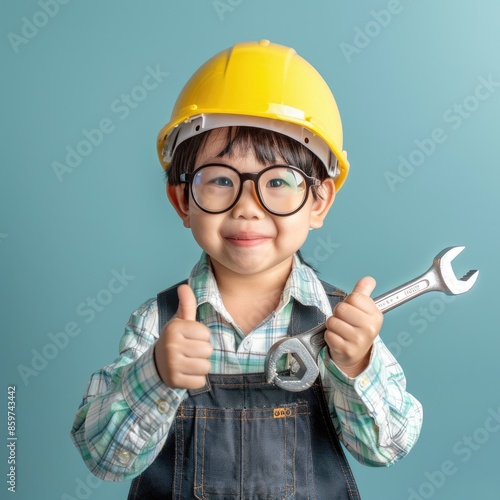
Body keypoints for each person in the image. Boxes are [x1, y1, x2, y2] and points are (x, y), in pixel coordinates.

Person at [71, 40, 423, 499]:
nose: (247, 207)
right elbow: (103, 458)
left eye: (278, 181)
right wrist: (156, 374)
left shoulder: (341, 325)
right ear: (182, 200)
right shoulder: (156, 323)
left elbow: (386, 448)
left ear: (319, 201)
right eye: (219, 180)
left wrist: (356, 364)